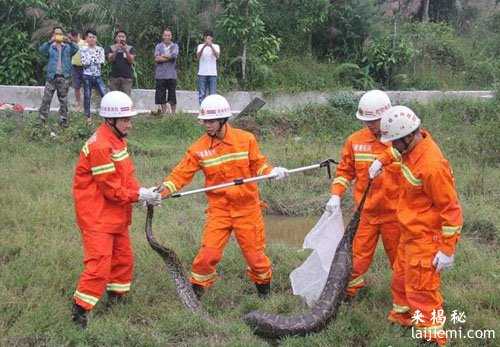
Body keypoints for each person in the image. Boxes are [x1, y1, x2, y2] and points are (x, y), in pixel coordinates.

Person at [159, 94, 289, 299]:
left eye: (211, 121)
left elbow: (259, 165)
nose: (206, 125)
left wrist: (271, 172)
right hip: (219, 210)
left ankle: (265, 297)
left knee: (256, 259)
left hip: (247, 208)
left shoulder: (246, 140)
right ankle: (195, 299)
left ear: (223, 120)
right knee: (206, 257)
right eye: (204, 121)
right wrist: (162, 192)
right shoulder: (198, 149)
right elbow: (180, 175)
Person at [369, 106, 463, 346]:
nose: (391, 147)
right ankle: (403, 318)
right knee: (400, 280)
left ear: (408, 136)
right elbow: (396, 154)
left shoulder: (431, 165)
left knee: (422, 292)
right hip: (409, 234)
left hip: (425, 240)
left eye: (394, 142)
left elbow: (451, 210)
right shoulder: (412, 147)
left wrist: (447, 249)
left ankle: (432, 338)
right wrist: (381, 160)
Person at [71, 91, 161, 329]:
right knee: (99, 264)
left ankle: (116, 300)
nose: (130, 124)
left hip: (115, 214)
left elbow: (126, 177)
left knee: (123, 259)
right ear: (110, 120)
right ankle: (80, 310)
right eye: (126, 120)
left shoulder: (117, 140)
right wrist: (137, 195)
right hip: (97, 217)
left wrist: (142, 193)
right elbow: (111, 189)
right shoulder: (100, 146)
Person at [326, 90, 400, 299]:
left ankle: (404, 303)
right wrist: (336, 195)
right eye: (367, 121)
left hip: (396, 216)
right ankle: (350, 296)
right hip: (366, 214)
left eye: (374, 121)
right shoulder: (355, 141)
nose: (370, 125)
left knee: (401, 261)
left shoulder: (400, 140)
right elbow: (345, 171)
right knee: (356, 260)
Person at [38, 26, 79, 127]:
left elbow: (76, 48)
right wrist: (49, 41)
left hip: (64, 77)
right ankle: (42, 120)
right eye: (56, 34)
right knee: (46, 99)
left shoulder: (68, 47)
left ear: (63, 35)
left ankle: (63, 121)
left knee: (63, 100)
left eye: (60, 34)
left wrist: (69, 41)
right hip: (51, 77)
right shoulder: (50, 47)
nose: (58, 35)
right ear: (53, 35)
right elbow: (41, 50)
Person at [80, 29, 106, 122]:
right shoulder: (82, 49)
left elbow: (101, 61)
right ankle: (87, 116)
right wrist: (94, 59)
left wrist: (91, 59)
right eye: (90, 37)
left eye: (93, 37)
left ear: (96, 38)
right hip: (87, 76)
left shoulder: (100, 49)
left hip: (97, 75)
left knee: (104, 94)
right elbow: (84, 63)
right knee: (87, 95)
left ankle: (107, 115)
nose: (91, 39)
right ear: (86, 38)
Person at [154, 29, 179, 114]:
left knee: (172, 95)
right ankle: (164, 114)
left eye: (169, 35)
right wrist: (169, 57)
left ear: (171, 36)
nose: (167, 37)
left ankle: (173, 114)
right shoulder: (158, 46)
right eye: (165, 35)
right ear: (163, 36)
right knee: (161, 96)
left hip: (171, 75)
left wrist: (163, 56)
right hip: (160, 75)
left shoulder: (175, 46)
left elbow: (174, 56)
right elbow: (157, 59)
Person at [106, 30, 136, 96]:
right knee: (114, 98)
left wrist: (125, 50)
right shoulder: (111, 48)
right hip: (114, 78)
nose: (121, 38)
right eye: (119, 36)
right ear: (115, 38)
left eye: (123, 37)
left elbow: (131, 60)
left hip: (127, 78)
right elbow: (110, 59)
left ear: (126, 38)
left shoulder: (130, 48)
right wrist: (116, 49)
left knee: (126, 99)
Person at [196, 30, 220, 104]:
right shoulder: (200, 46)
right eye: (206, 38)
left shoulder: (216, 46)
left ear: (212, 38)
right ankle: (202, 111)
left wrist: (211, 46)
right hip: (202, 73)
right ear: (204, 38)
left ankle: (211, 111)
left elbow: (217, 56)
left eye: (209, 38)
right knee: (202, 94)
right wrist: (204, 46)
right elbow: (198, 56)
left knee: (212, 94)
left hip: (212, 74)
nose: (208, 39)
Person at [68, 30, 87, 111]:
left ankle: (86, 104)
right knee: (76, 87)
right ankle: (79, 104)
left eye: (70, 37)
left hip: (84, 67)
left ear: (76, 36)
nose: (70, 39)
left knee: (86, 86)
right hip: (75, 67)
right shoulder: (71, 44)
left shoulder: (85, 43)